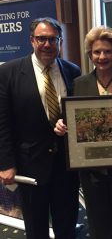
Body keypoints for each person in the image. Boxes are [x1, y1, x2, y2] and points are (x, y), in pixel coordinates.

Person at [54, 26, 112, 239]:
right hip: (92, 169)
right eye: (97, 52)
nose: (102, 56)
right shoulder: (78, 84)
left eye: (107, 51)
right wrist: (62, 124)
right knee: (98, 223)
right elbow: (69, 117)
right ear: (90, 54)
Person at [0, 17, 81, 239]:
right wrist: (6, 163)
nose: (47, 44)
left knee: (67, 221)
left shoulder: (73, 71)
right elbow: (2, 122)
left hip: (67, 165)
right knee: (36, 227)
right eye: (41, 39)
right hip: (30, 165)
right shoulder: (8, 72)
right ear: (31, 41)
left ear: (60, 42)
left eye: (52, 39)